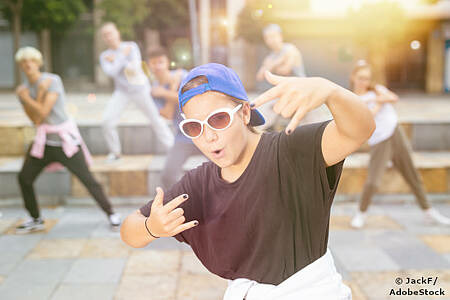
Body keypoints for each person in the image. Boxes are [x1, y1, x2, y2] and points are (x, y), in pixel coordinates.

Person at [121, 63, 376, 299]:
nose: (208, 136)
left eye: (218, 118)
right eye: (194, 128)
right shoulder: (199, 185)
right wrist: (151, 228)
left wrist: (330, 91)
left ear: (244, 112)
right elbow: (130, 229)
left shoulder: (290, 151)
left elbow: (359, 130)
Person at [14, 46, 121, 234]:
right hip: (44, 142)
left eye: (31, 60)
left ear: (38, 63)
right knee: (24, 178)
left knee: (88, 180)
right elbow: (36, 120)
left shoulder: (52, 80)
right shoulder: (24, 89)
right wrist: (33, 94)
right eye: (24, 62)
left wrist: (28, 97)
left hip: (66, 142)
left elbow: (43, 112)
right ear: (20, 66)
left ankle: (111, 213)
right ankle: (35, 218)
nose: (28, 64)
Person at [350, 60, 450, 228]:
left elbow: (393, 97)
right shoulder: (354, 99)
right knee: (373, 181)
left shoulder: (377, 90)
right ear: (353, 77)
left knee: (412, 175)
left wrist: (379, 99)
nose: (364, 81)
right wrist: (379, 102)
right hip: (379, 140)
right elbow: (368, 117)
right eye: (360, 77)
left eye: (367, 78)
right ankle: (361, 212)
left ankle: (428, 211)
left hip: (396, 132)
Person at [99, 22, 174, 162]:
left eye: (110, 33)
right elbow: (112, 72)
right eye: (105, 35)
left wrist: (117, 59)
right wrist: (122, 57)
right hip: (121, 92)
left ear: (117, 33)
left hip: (141, 90)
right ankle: (115, 153)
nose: (108, 37)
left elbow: (135, 69)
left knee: (156, 120)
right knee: (107, 121)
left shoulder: (131, 47)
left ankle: (171, 148)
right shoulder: (104, 55)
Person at [146, 47, 202, 190]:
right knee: (168, 176)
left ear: (167, 63)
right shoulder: (154, 89)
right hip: (183, 137)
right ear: (149, 66)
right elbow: (167, 114)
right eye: (153, 63)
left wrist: (165, 92)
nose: (157, 66)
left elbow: (193, 100)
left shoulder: (183, 76)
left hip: (205, 130)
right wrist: (171, 89)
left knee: (225, 168)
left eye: (160, 62)